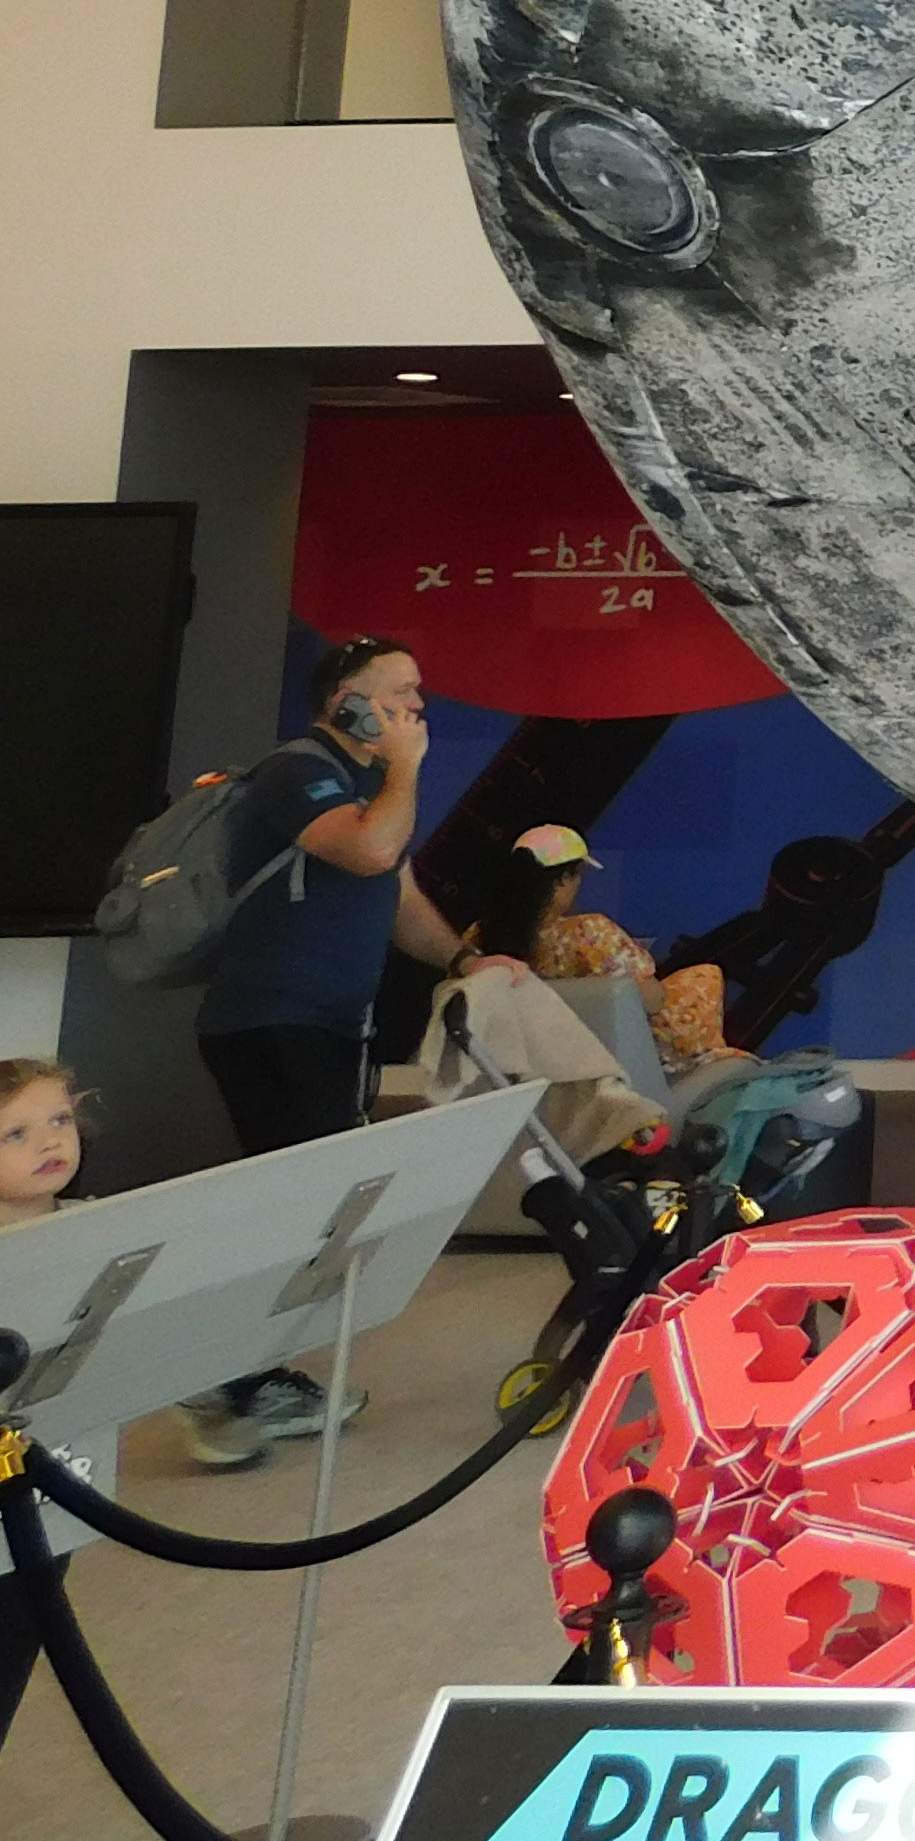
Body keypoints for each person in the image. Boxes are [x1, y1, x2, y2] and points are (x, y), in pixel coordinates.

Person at [176, 636, 467, 1471]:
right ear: (345, 701)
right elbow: (368, 850)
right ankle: (218, 1382)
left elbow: (399, 897)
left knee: (312, 1209)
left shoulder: (375, 789)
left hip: (330, 1026)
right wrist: (406, 768)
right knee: (298, 1210)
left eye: (418, 692)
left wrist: (463, 959)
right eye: (399, 691)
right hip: (273, 1021)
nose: (417, 707)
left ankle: (249, 1374)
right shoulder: (295, 769)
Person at [0, 1056, 107, 1751]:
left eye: (60, 1120)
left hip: (54, 1484)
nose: (49, 1142)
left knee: (16, 1641)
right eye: (15, 1134)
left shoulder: (102, 1229)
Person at [492, 825, 736, 1080]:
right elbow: (652, 999)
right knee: (707, 975)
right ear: (564, 879)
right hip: (633, 1058)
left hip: (549, 1063)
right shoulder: (589, 932)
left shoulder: (479, 938)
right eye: (577, 877)